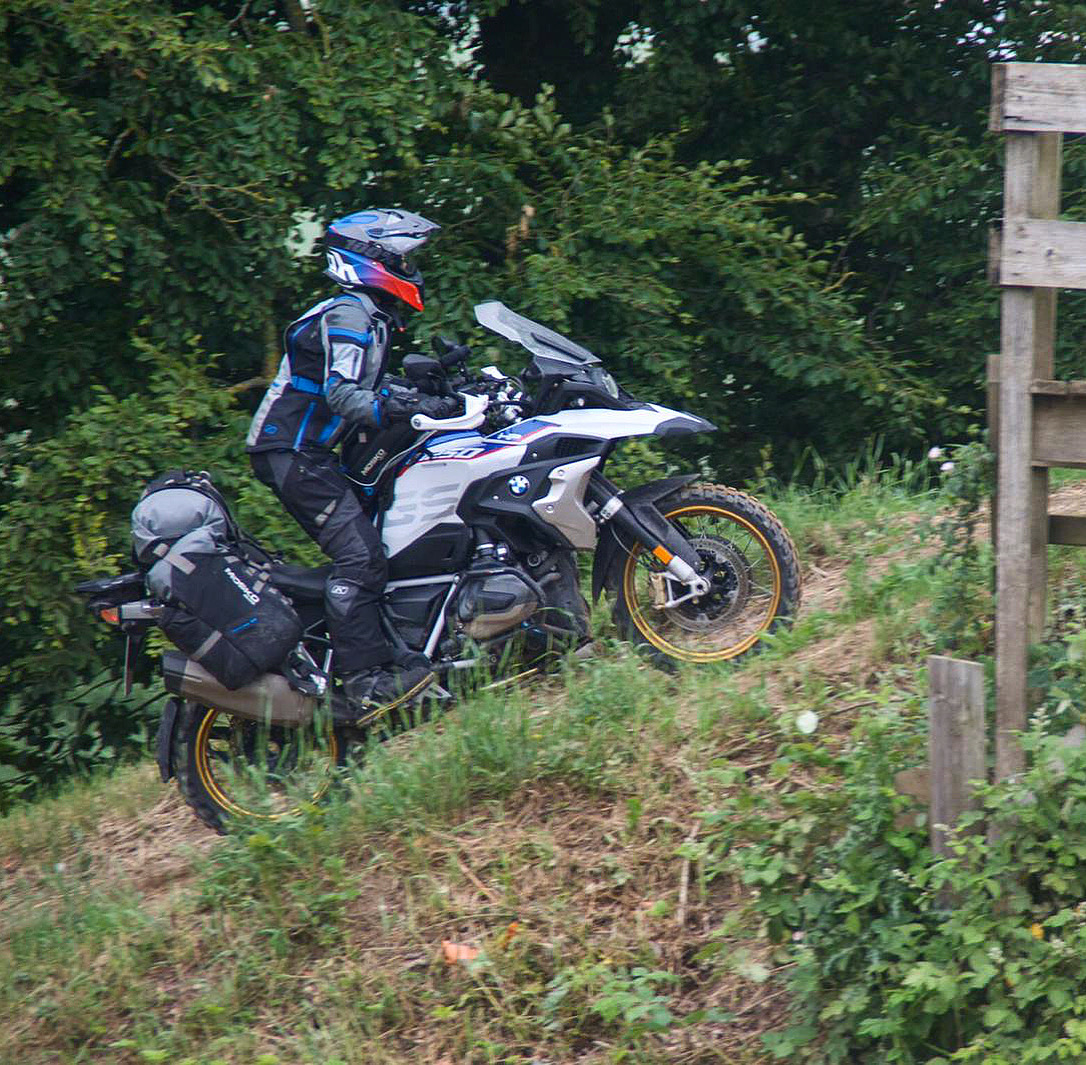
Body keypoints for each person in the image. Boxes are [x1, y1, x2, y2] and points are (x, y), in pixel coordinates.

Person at [246, 208, 455, 722]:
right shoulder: (349, 315)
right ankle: (365, 681)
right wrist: (407, 406)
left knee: (383, 539)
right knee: (361, 558)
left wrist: (431, 391)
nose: (410, 269)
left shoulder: (368, 315)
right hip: (290, 454)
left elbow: (366, 387)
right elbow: (343, 395)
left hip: (309, 454)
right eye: (402, 259)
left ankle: (402, 652)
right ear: (373, 260)